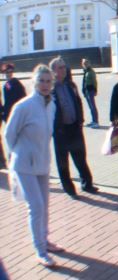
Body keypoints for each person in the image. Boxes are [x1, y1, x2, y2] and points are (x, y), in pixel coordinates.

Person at [5, 65, 65, 267]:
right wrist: (19, 154)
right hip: (24, 164)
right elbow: (9, 135)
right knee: (36, 207)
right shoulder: (24, 106)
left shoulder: (51, 105)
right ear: (34, 82)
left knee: (45, 206)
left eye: (49, 81)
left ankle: (45, 240)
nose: (46, 85)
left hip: (42, 162)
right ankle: (40, 250)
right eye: (42, 81)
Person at [49, 57, 98, 199]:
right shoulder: (50, 89)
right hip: (61, 131)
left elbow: (78, 102)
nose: (64, 69)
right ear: (53, 71)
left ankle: (87, 184)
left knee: (81, 158)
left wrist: (80, 120)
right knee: (63, 162)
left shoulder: (71, 85)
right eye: (60, 67)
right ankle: (69, 188)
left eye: (64, 67)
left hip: (75, 129)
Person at [81, 59, 99, 128]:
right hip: (87, 91)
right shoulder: (86, 71)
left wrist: (95, 90)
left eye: (86, 63)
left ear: (89, 64)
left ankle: (96, 121)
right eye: (84, 64)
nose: (85, 64)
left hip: (91, 90)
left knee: (93, 106)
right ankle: (93, 121)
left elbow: (95, 82)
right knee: (90, 107)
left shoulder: (91, 71)